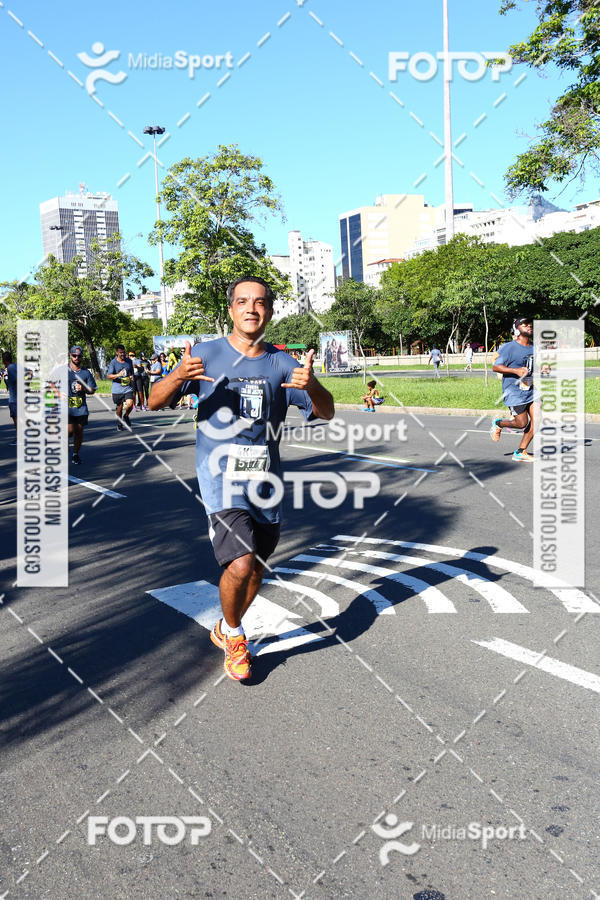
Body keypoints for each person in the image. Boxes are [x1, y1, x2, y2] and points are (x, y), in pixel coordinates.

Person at [148, 276, 335, 682]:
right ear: (231, 309)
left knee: (258, 567)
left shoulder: (283, 362)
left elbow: (327, 411)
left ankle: (224, 626)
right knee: (241, 562)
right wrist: (180, 375)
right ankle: (235, 635)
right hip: (220, 479)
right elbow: (153, 401)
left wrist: (314, 383)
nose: (252, 308)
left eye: (261, 302)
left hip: (265, 481)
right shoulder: (204, 354)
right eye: (243, 301)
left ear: (270, 310)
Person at [490, 316, 536, 462]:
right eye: (525, 324)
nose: (529, 326)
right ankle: (498, 423)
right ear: (517, 329)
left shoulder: (534, 347)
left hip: (531, 390)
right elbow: (496, 366)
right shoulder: (509, 347)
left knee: (538, 419)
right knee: (521, 423)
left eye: (530, 324)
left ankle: (521, 451)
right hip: (514, 392)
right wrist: (516, 371)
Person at [65, 345, 97, 464]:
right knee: (69, 431)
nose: (77, 358)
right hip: (66, 407)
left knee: (78, 431)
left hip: (80, 407)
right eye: (74, 355)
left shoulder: (86, 373)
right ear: (70, 356)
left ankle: (75, 454)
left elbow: (92, 390)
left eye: (79, 356)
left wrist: (83, 388)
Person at [107, 344, 135, 431]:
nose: (122, 354)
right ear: (117, 353)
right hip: (117, 389)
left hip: (127, 388)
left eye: (123, 352)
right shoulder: (113, 362)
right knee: (119, 407)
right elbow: (109, 376)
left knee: (130, 404)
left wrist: (131, 377)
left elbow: (131, 373)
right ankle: (119, 423)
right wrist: (118, 375)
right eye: (120, 353)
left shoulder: (129, 361)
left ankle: (126, 416)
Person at [2, 351, 18, 443]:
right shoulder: (11, 368)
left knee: (16, 418)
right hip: (15, 396)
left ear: (5, 359)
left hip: (15, 398)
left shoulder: (11, 368)